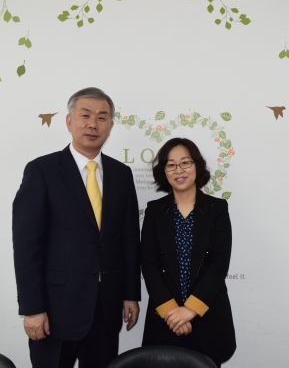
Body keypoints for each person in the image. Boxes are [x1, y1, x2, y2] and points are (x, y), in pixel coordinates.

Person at [12, 87, 141, 368]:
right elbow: (27, 247)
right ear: (69, 121)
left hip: (106, 309)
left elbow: (129, 239)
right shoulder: (42, 171)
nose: (93, 124)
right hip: (56, 310)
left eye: (102, 118)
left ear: (110, 126)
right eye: (85, 116)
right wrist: (32, 309)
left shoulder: (121, 174)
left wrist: (131, 294)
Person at [140, 137, 236, 367]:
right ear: (164, 171)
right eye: (171, 165)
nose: (178, 170)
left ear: (197, 166)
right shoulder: (154, 211)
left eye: (185, 162)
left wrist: (190, 310)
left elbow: (219, 264)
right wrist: (173, 312)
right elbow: (149, 265)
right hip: (166, 317)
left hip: (208, 315)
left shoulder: (217, 209)